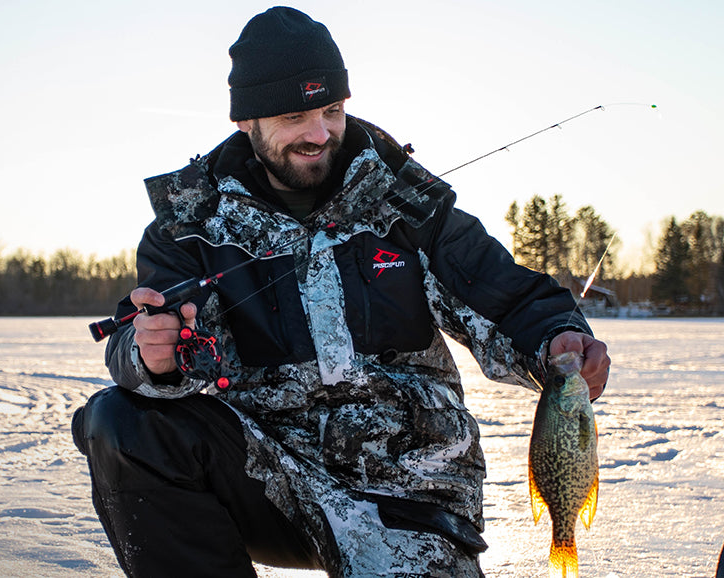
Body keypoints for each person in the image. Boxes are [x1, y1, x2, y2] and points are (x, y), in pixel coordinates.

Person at [71, 6, 611, 577]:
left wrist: (557, 339)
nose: (320, 133)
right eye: (295, 115)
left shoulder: (408, 202)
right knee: (120, 423)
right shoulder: (190, 224)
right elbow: (140, 339)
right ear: (245, 121)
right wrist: (150, 355)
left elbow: (509, 296)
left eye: (332, 110)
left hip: (413, 487)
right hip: (273, 476)